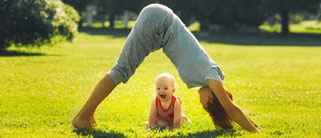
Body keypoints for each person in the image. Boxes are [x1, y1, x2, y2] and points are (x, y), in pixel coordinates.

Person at [72, 3, 260, 133]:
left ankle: (88, 114)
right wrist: (256, 131)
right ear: (212, 98)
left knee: (122, 69)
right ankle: (82, 117)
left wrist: (252, 123)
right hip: (160, 21)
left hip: (161, 28)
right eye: (205, 105)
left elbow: (230, 109)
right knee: (122, 69)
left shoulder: (208, 75)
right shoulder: (212, 76)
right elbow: (231, 108)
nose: (200, 103)